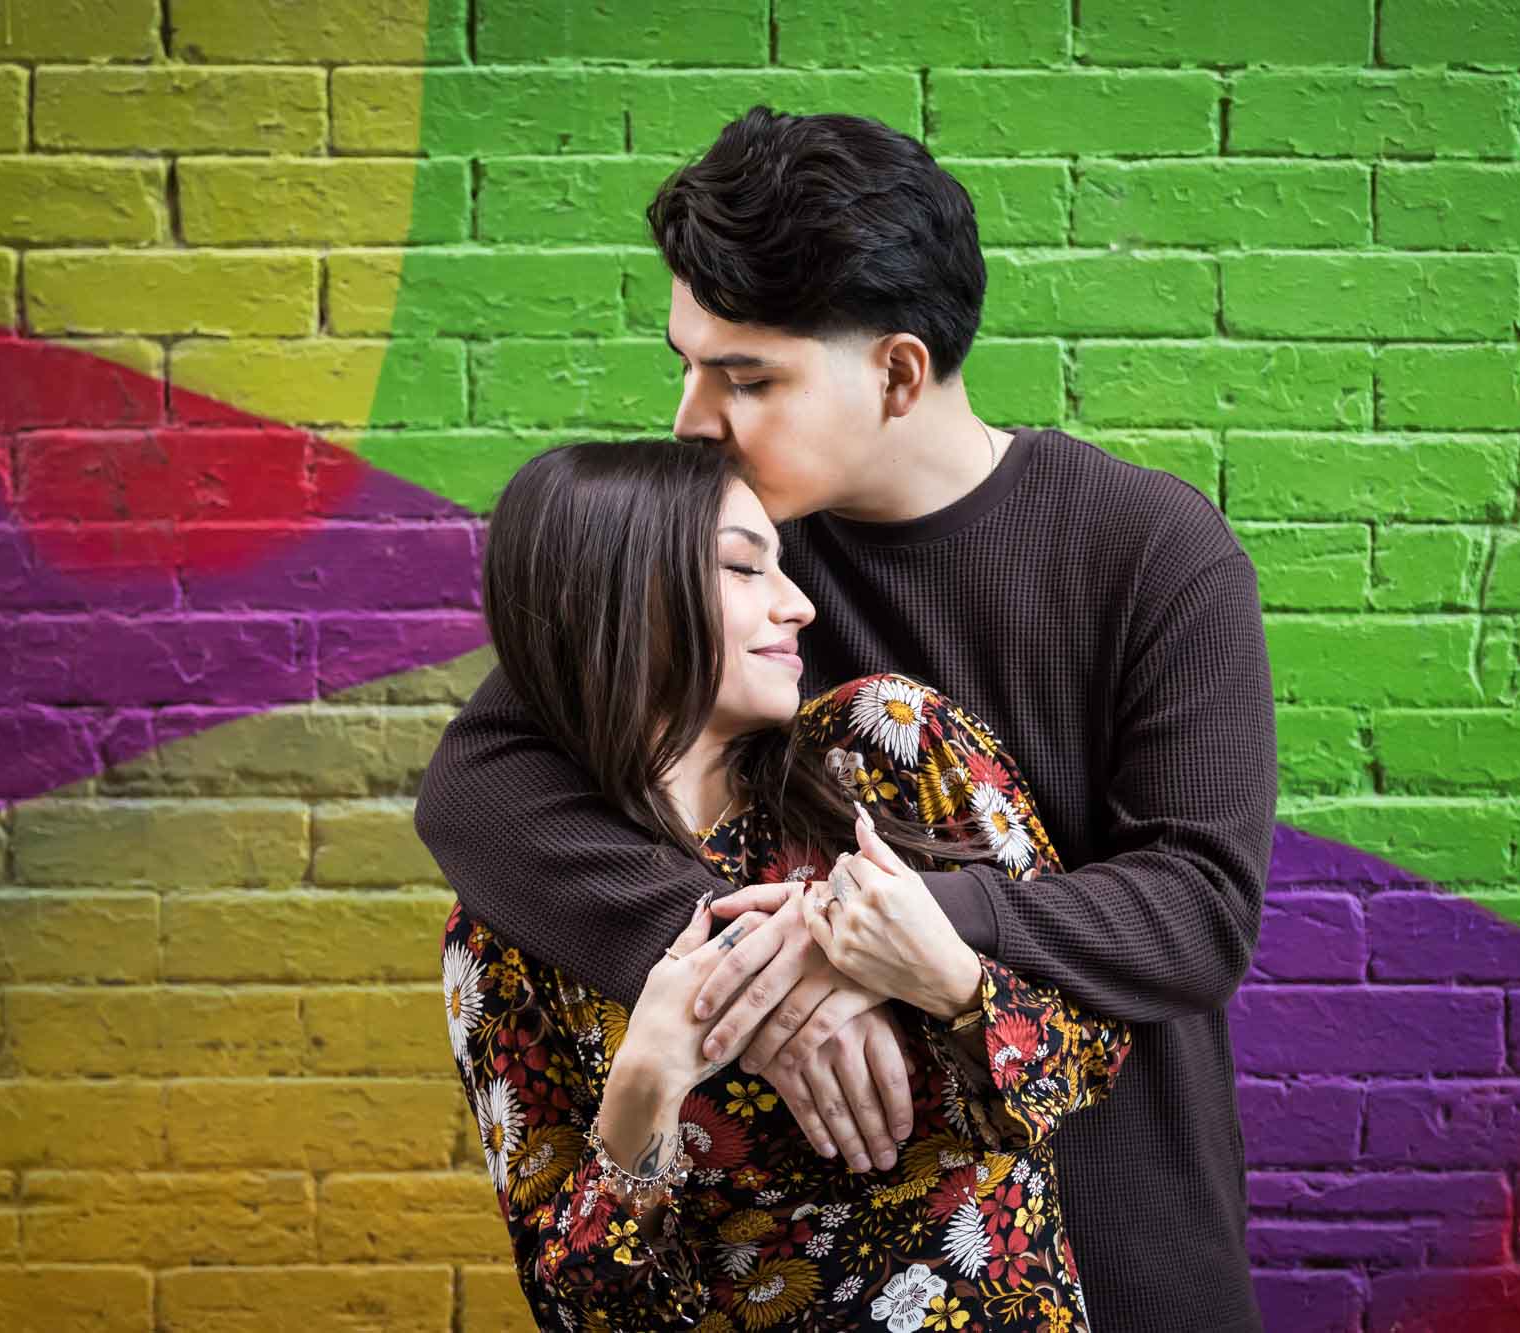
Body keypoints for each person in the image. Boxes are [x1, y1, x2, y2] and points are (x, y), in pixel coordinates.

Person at [418, 107, 1277, 1332]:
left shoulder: (1150, 553)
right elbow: (477, 783)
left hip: (1124, 1236)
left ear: (896, 371)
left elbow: (1197, 905)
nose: (690, 418)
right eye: (688, 361)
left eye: (744, 376)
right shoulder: (714, 569)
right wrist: (738, 969)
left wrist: (891, 929)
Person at [443, 438, 1128, 1328]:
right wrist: (645, 1081)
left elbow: (1093, 1052)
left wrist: (948, 982)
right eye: (743, 566)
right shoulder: (507, 929)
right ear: (614, 598)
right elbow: (582, 1311)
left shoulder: (891, 744)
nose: (797, 604)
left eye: (784, 566)